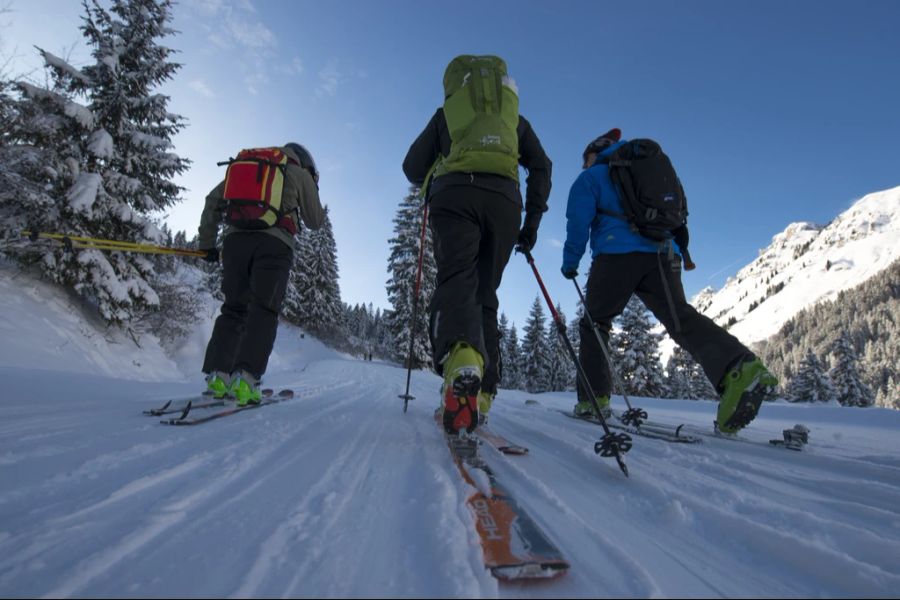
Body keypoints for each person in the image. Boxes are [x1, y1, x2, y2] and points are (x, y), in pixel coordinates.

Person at [561, 128, 777, 433]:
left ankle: (593, 400)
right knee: (680, 320)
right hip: (664, 255)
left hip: (616, 256)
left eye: (586, 159)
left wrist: (570, 262)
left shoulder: (592, 178)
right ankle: (740, 368)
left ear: (595, 152)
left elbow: (577, 223)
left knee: (595, 324)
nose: (584, 165)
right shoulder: (651, 170)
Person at [403, 55, 552, 434]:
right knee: (485, 293)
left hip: (454, 196)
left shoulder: (447, 115)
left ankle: (462, 361)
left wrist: (441, 159)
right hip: (504, 203)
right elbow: (542, 165)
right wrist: (531, 223)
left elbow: (411, 167)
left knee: (457, 280)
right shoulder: (513, 120)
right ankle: (482, 394)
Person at [198, 143, 325, 405]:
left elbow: (213, 201)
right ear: (304, 162)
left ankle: (217, 377)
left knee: (233, 309)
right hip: (274, 245)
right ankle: (246, 379)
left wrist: (207, 244)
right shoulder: (298, 173)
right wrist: (311, 190)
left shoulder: (249, 167)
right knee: (263, 311)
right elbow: (315, 221)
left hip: (234, 244)